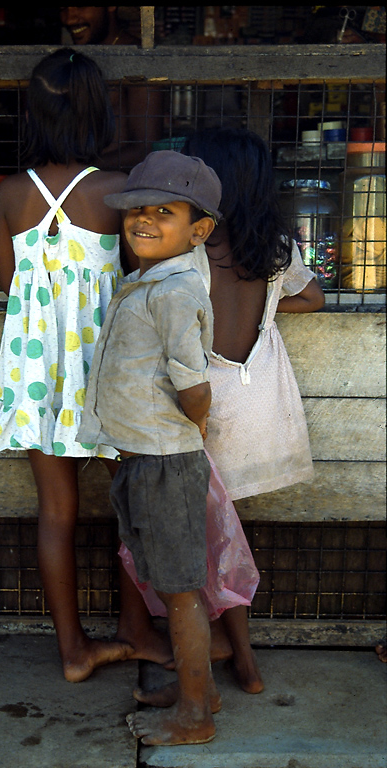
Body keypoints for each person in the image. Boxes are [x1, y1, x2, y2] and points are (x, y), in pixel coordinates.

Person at [0, 47, 170, 684]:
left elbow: (8, 287)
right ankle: (135, 630)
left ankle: (73, 651)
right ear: (98, 111)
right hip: (109, 366)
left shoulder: (10, 196)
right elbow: (145, 275)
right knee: (131, 506)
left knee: (56, 513)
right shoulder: (118, 193)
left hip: (38, 372)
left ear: (31, 114)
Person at [132, 127, 326, 710]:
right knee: (226, 538)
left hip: (201, 410)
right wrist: (268, 304)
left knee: (202, 547)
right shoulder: (275, 246)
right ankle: (234, 656)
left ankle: (226, 661)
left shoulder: (188, 251)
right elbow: (312, 299)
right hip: (255, 402)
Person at [77, 150, 223, 746]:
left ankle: (195, 717)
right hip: (145, 457)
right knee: (170, 582)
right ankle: (200, 690)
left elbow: (192, 381)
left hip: (166, 461)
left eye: (164, 211)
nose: (143, 221)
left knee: (180, 588)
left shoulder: (174, 288)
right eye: (136, 210)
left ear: (200, 229)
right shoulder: (147, 279)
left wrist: (198, 425)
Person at [60, 6, 164, 170]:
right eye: (63, 9)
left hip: (122, 188)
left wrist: (75, 172)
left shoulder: (138, 59)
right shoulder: (73, 60)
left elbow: (145, 148)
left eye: (80, 7)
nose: (69, 19)